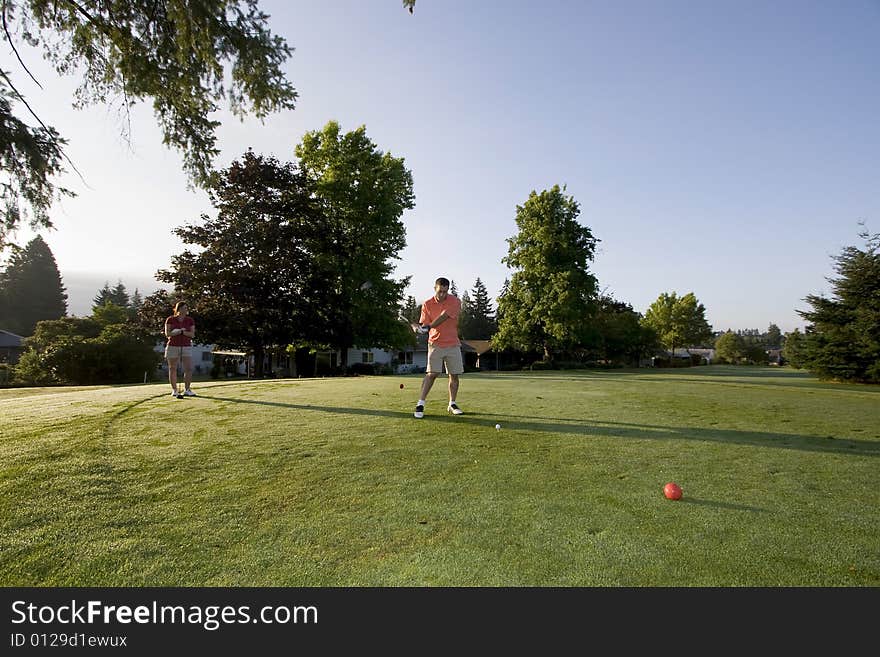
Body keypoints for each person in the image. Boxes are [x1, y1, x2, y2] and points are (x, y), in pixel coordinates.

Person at [414, 277, 464, 419]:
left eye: (445, 291)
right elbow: (424, 323)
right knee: (432, 373)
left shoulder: (454, 301)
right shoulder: (427, 304)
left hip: (453, 343)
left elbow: (444, 316)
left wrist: (429, 326)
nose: (442, 294)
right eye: (440, 291)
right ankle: (420, 403)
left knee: (454, 375)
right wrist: (419, 328)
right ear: (435, 288)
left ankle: (452, 403)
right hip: (435, 343)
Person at [164, 301, 197, 398]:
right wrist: (177, 332)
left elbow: (192, 334)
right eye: (183, 308)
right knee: (172, 368)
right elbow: (168, 334)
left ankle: (187, 390)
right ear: (178, 309)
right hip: (173, 346)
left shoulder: (190, 320)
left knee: (188, 368)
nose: (185, 310)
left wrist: (183, 332)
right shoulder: (170, 319)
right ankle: (174, 390)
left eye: (186, 308)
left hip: (186, 346)